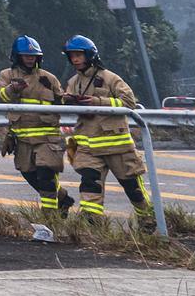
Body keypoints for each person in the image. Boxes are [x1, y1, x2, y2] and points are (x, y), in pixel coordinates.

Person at [59, 34, 148, 218]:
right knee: (89, 184)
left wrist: (99, 102)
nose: (75, 59)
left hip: (118, 147)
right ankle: (93, 224)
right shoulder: (73, 82)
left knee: (133, 188)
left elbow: (129, 102)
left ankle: (149, 220)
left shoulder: (110, 78)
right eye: (72, 56)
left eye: (79, 55)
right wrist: (68, 100)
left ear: (90, 55)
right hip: (88, 147)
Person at [0, 34, 67, 217]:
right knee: (28, 173)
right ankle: (63, 199)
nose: (30, 58)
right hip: (23, 138)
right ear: (17, 56)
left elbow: (63, 101)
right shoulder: (7, 75)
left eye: (33, 55)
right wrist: (13, 89)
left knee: (46, 175)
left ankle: (51, 216)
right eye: (26, 55)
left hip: (47, 138)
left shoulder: (48, 78)